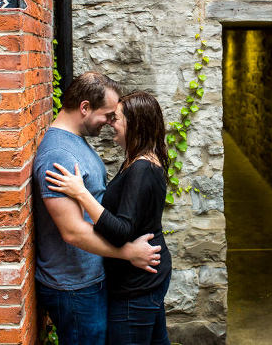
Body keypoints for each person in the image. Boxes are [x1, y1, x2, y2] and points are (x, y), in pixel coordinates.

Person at [33, 73, 162, 345]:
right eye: (107, 114)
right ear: (84, 107)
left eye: (116, 117)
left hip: (89, 280)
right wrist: (128, 253)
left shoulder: (76, 143)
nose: (110, 121)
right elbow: (73, 232)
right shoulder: (59, 156)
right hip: (74, 287)